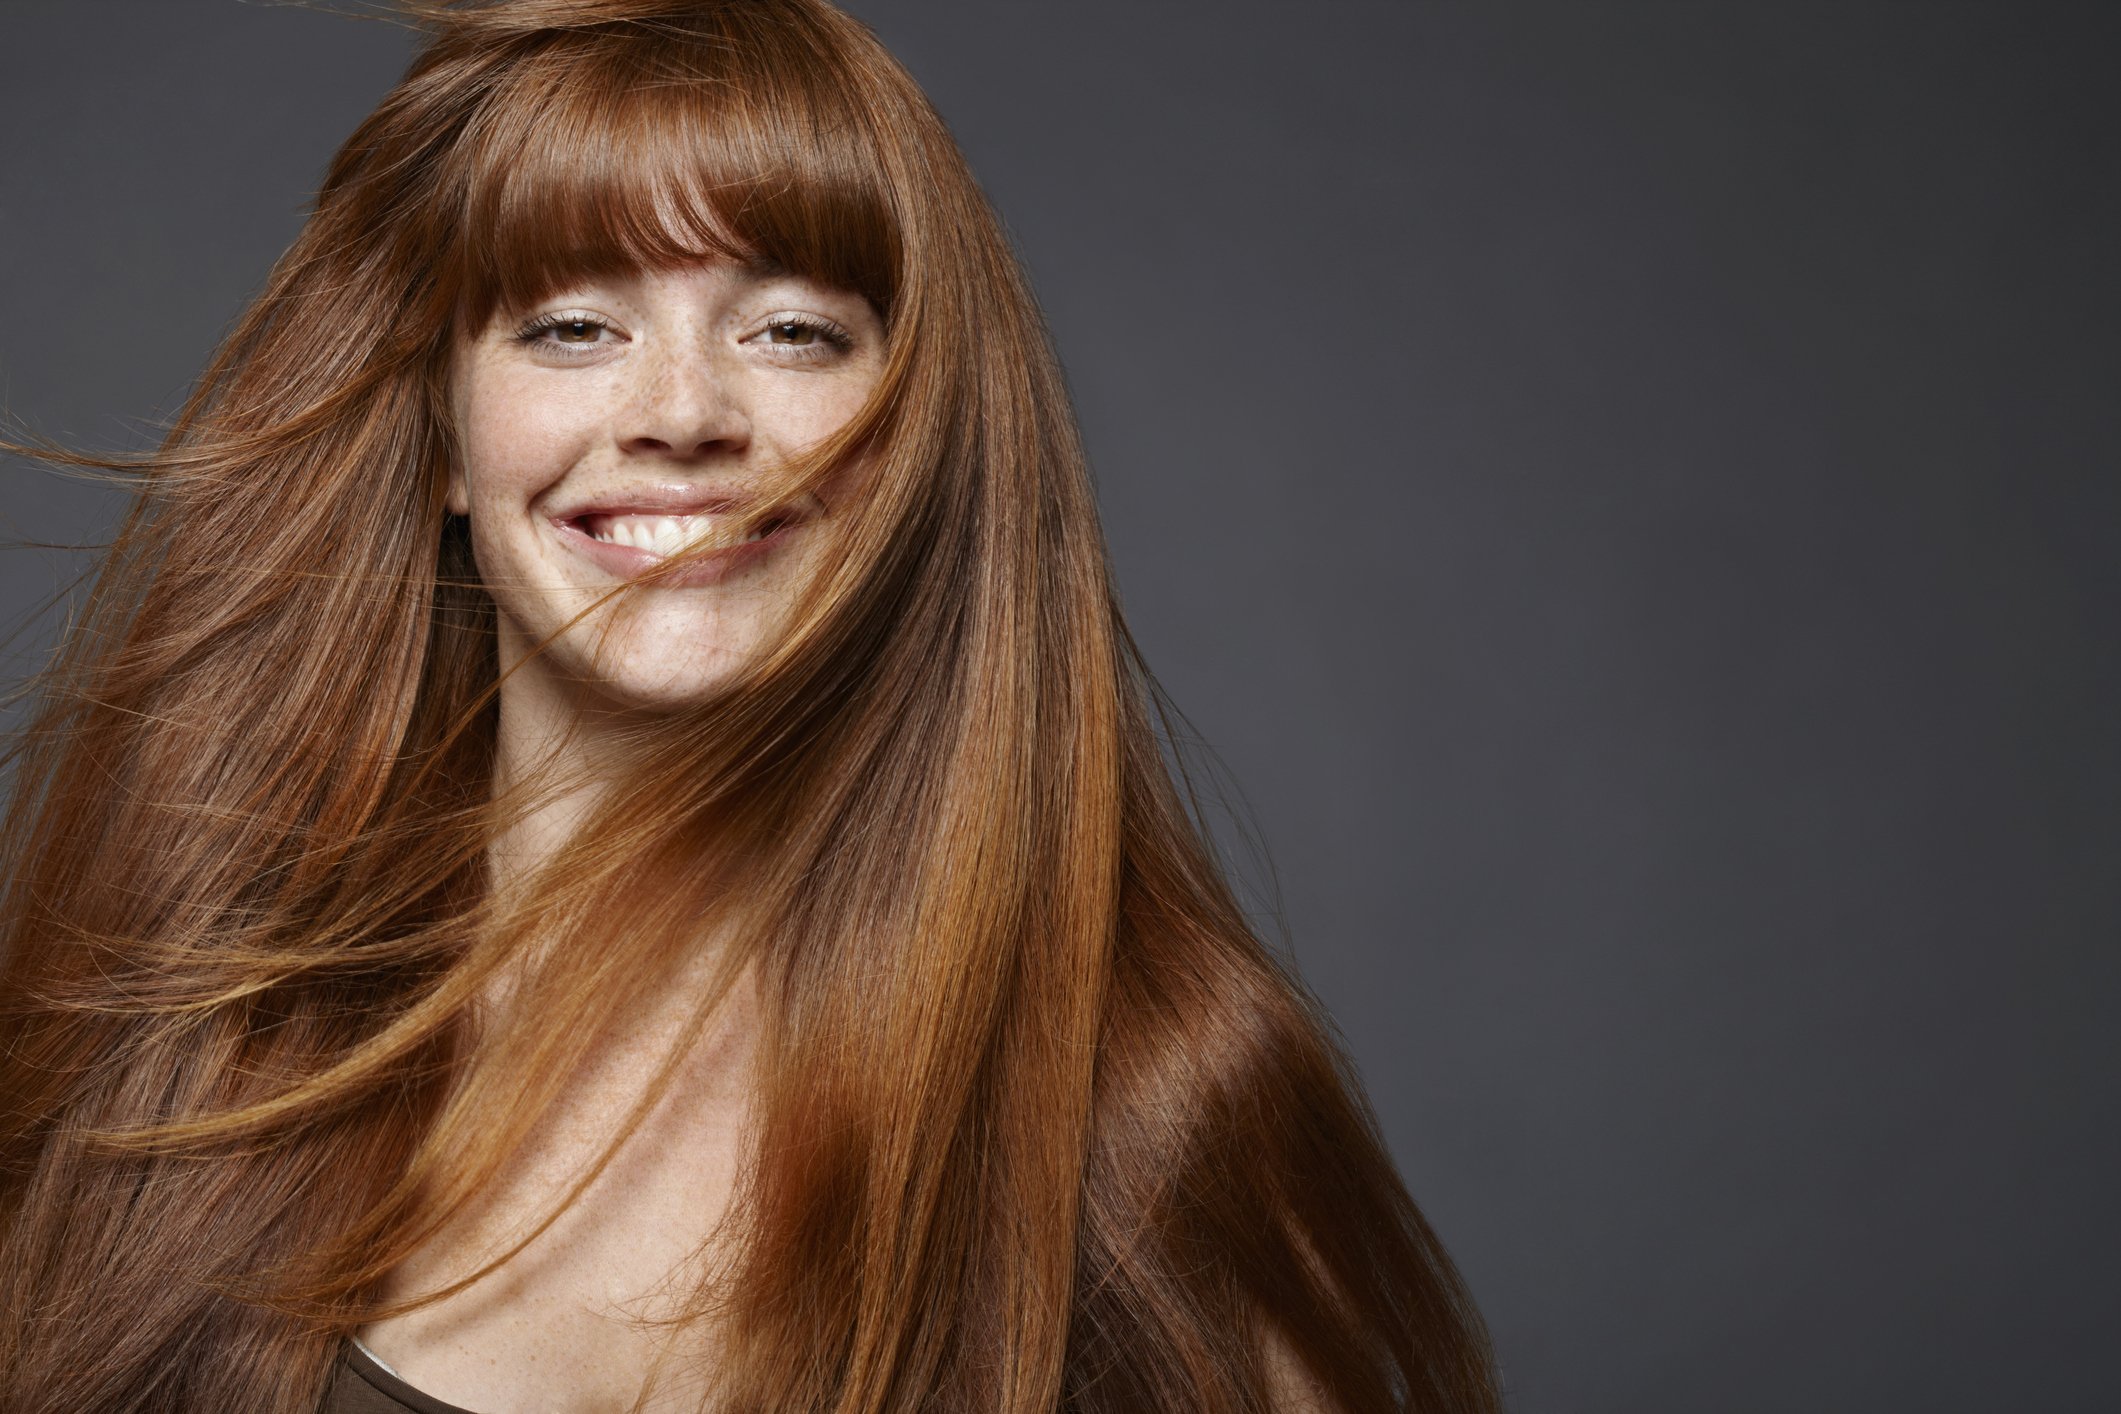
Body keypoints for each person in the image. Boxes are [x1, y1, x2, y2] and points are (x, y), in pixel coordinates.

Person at [0, 2, 1502, 1410]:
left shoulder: (1158, 1103)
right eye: (571, 325)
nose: (682, 411)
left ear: (912, 431)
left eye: (791, 329)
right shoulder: (179, 1037)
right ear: (441, 434)